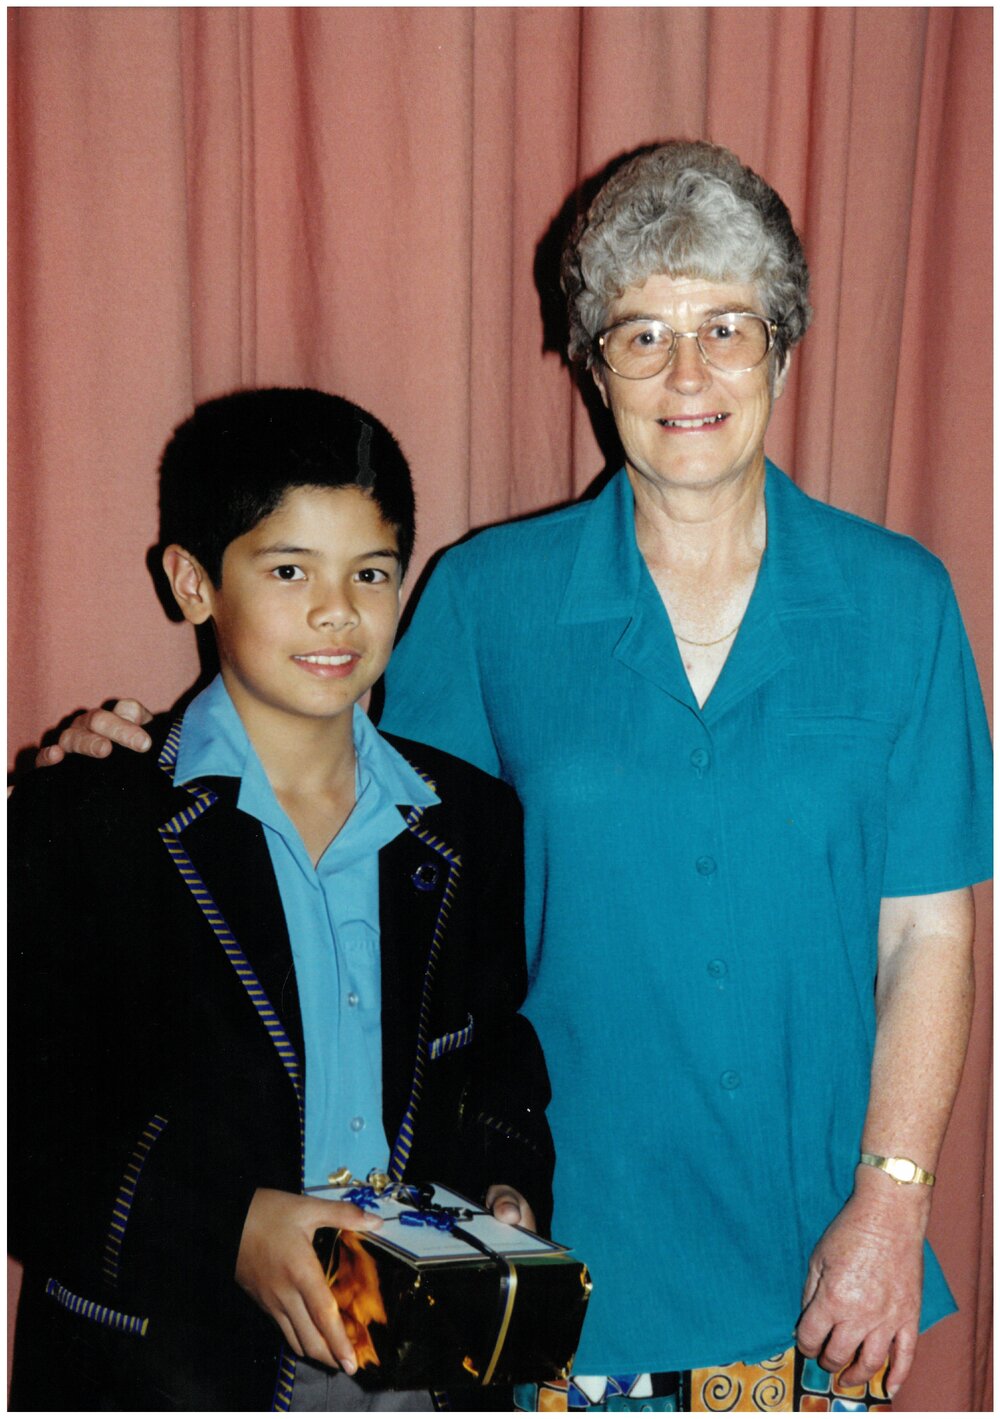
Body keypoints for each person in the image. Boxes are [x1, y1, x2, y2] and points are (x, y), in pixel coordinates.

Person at [37, 141, 992, 1411]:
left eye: (726, 326)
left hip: (812, 1262)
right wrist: (137, 753)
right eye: (640, 335)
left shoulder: (897, 602)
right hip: (533, 1272)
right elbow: (356, 817)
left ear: (784, 343)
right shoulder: (488, 601)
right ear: (592, 365)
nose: (687, 372)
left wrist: (888, 1201)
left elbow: (929, 936)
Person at [9, 387, 554, 1412]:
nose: (336, 611)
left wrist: (504, 1189)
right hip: (170, 1362)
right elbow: (26, 1135)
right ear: (191, 581)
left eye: (372, 573)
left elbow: (494, 1057)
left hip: (412, 1367)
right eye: (289, 569)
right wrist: (228, 1229)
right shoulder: (82, 823)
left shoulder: (469, 820)